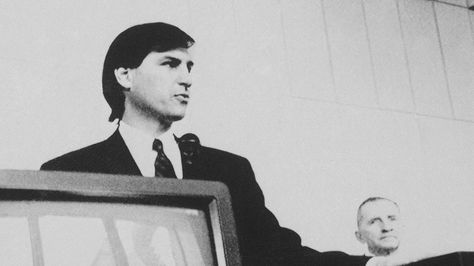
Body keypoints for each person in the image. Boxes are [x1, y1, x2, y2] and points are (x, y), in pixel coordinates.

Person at [41, 22, 376, 265]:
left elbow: (276, 252)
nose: (186, 78)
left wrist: (366, 265)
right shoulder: (69, 171)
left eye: (189, 67)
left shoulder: (230, 170)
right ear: (125, 75)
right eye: (169, 64)